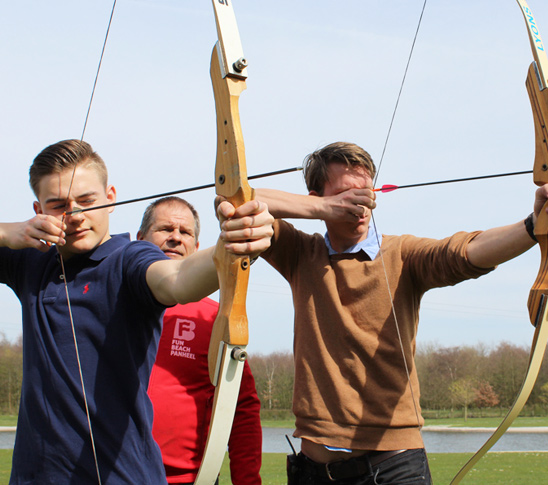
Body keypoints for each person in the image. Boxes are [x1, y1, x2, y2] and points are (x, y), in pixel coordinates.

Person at [254, 141, 548, 484]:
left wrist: (532, 225)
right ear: (317, 195)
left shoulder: (403, 254)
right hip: (314, 470)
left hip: (394, 468)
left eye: (366, 192)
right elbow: (238, 200)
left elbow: (466, 252)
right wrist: (322, 208)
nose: (361, 205)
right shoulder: (301, 252)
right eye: (347, 194)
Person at [0, 139, 273, 484]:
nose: (75, 216)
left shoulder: (129, 259)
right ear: (38, 209)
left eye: (86, 201)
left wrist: (233, 244)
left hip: (123, 475)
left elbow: (177, 279)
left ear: (110, 196)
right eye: (58, 205)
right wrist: (8, 232)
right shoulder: (30, 261)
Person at [137, 196, 262, 484]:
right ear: (140, 238)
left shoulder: (215, 319)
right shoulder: (110, 304)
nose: (175, 238)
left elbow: (240, 407)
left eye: (185, 232)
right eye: (165, 229)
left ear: (197, 247)